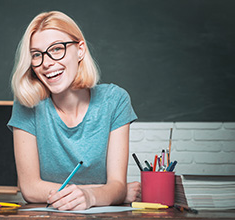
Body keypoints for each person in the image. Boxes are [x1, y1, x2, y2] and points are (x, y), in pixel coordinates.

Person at [8, 11, 140, 211]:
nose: (47, 63)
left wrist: (100, 194)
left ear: (80, 50)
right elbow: (30, 189)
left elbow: (117, 185)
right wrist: (99, 192)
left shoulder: (115, 101)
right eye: (36, 55)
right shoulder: (27, 105)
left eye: (57, 49)